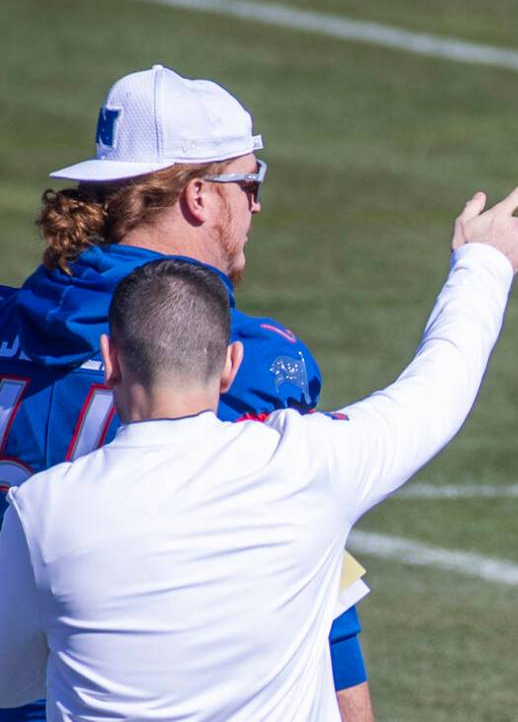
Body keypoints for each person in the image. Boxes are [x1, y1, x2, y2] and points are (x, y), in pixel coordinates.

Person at [0, 175, 518, 719]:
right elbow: (439, 388)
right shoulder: (307, 463)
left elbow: (10, 679)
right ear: (230, 366)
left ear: (112, 359)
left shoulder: (43, 508)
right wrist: (483, 262)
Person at [0, 65, 375, 721]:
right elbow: (315, 584)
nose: (256, 203)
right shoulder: (248, 357)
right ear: (200, 196)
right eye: (249, 182)